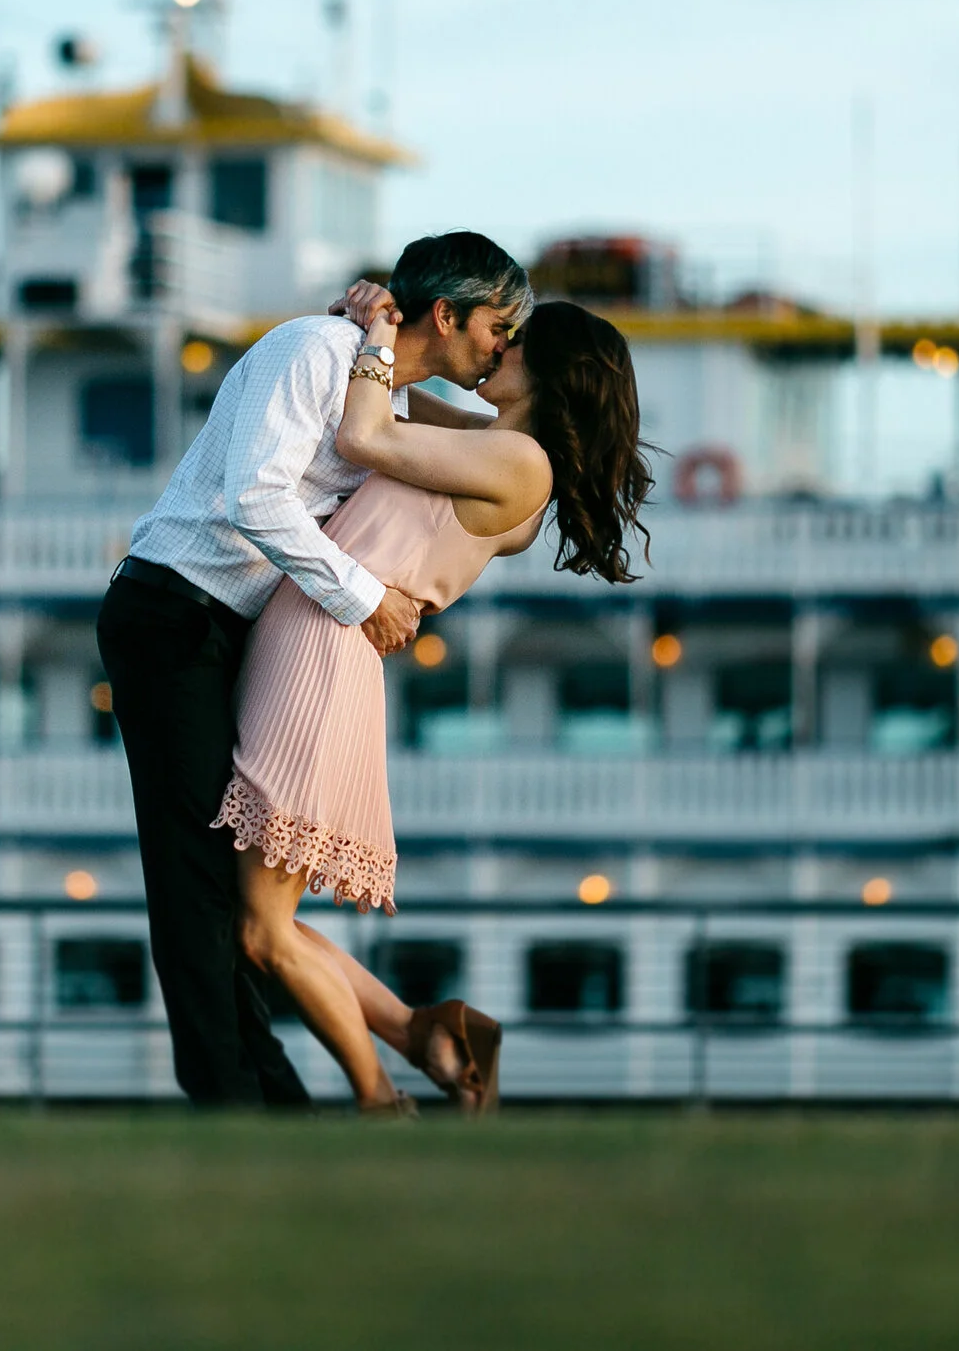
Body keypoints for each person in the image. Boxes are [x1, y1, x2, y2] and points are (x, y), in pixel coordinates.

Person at [97, 231, 530, 1110]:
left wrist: (378, 333)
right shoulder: (312, 349)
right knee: (193, 884)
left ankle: (268, 1098)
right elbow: (254, 495)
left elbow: (497, 439)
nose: (502, 346)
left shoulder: (374, 378)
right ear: (445, 315)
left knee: (218, 887)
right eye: (496, 326)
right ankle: (234, 1098)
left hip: (220, 626)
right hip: (172, 615)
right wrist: (365, 596)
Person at [220, 285, 652, 1114]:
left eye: (515, 342)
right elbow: (395, 398)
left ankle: (383, 1099)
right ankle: (423, 1035)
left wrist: (380, 337)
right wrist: (373, 327)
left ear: (549, 372)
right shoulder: (499, 446)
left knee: (261, 929)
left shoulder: (520, 465)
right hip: (316, 638)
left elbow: (366, 431)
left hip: (320, 647)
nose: (497, 351)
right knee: (261, 918)